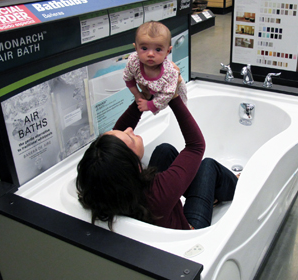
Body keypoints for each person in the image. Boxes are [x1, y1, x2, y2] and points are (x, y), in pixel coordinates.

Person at [76, 80, 237, 231]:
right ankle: (237, 184)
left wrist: (143, 96)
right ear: (133, 166)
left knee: (164, 150)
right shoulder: (157, 194)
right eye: (131, 138)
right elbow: (196, 146)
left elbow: (116, 140)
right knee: (208, 166)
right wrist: (173, 97)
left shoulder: (104, 184)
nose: (130, 130)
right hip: (188, 229)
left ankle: (211, 195)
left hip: (157, 215)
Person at [123, 21, 187, 115]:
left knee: (182, 111)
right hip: (150, 91)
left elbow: (168, 94)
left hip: (173, 91)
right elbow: (128, 78)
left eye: (158, 49)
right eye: (144, 48)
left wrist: (150, 105)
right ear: (136, 48)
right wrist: (137, 94)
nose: (150, 54)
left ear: (168, 51)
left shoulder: (169, 72)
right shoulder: (134, 61)